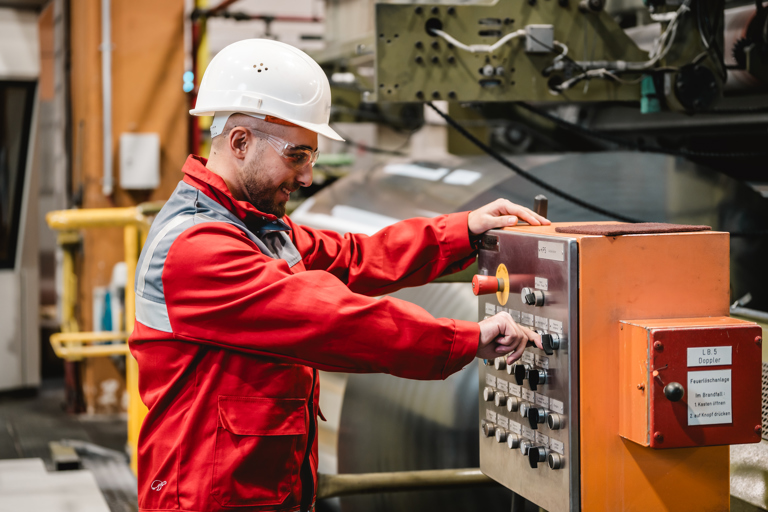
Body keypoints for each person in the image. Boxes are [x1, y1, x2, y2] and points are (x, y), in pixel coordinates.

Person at [129, 39, 549, 512]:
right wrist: (465, 337)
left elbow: (353, 257)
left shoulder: (250, 226)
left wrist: (462, 231)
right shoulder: (198, 249)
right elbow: (334, 321)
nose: (307, 176)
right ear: (240, 142)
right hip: (207, 495)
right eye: (296, 155)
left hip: (255, 485)